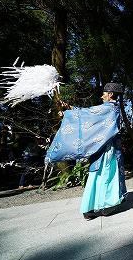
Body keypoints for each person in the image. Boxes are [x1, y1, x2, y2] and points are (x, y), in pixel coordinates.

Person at [45, 83, 127, 220]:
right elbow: (89, 113)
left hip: (105, 148)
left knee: (100, 174)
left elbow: (88, 114)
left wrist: (70, 112)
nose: (102, 96)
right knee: (106, 173)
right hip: (107, 149)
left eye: (104, 93)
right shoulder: (111, 108)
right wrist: (69, 109)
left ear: (111, 94)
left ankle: (90, 207)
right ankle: (106, 205)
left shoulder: (109, 108)